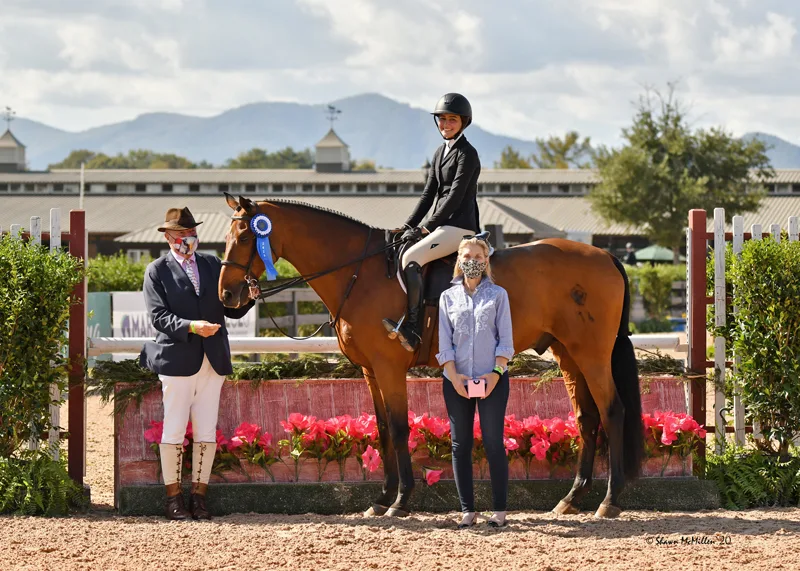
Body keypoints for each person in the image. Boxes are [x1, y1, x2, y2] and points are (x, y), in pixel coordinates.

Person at [139, 207, 254, 521]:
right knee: (174, 430)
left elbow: (230, 308)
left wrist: (250, 298)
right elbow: (158, 317)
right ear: (167, 237)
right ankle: (173, 498)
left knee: (206, 431)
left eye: (190, 234)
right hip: (177, 359)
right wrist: (191, 326)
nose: (186, 239)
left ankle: (200, 497)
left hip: (212, 358)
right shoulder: (157, 270)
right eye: (180, 235)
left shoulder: (212, 264)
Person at [382, 92, 482, 352]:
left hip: (460, 227)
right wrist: (407, 226)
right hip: (442, 225)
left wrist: (426, 227)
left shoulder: (467, 154)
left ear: (463, 122)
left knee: (411, 259)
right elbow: (429, 194)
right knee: (400, 249)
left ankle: (413, 328)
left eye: (452, 120)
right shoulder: (440, 153)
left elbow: (454, 196)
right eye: (442, 119)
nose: (446, 125)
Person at [436, 235, 514, 528]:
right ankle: (467, 510)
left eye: (478, 257)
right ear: (459, 260)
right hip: (456, 380)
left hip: (492, 379)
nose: (472, 262)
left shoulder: (498, 295)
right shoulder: (447, 297)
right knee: (461, 444)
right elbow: (445, 342)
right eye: (467, 257)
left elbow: (505, 341)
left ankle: (500, 511)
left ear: (486, 261)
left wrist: (495, 375)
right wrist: (454, 376)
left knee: (494, 443)